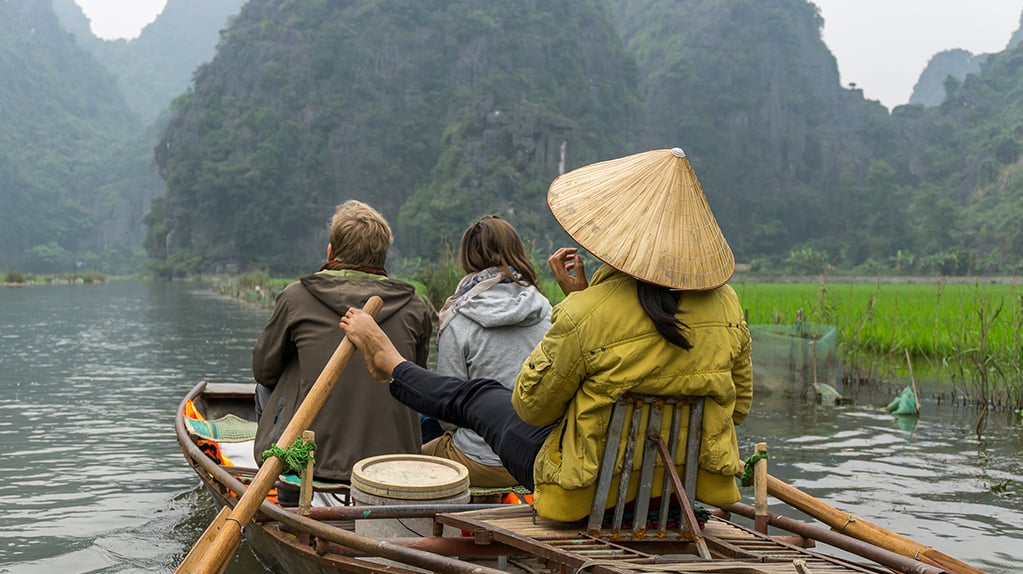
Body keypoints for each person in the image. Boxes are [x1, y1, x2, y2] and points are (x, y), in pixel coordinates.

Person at [339, 148, 752, 522]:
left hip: (589, 491)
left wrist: (578, 305)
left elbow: (532, 408)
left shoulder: (586, 312)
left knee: (479, 396)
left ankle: (390, 362)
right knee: (482, 397)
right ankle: (394, 366)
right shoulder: (728, 306)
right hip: (682, 483)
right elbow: (737, 408)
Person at [253, 199, 432, 505]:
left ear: (331, 252)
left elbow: (264, 370)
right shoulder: (416, 306)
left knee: (264, 386)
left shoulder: (295, 297)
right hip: (393, 465)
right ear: (383, 256)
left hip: (312, 461)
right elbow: (413, 371)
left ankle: (285, 481)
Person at [426, 214, 552, 487]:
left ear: (467, 258)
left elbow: (448, 416)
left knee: (409, 458)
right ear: (517, 252)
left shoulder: (457, 317)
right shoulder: (546, 309)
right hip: (542, 457)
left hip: (480, 460)